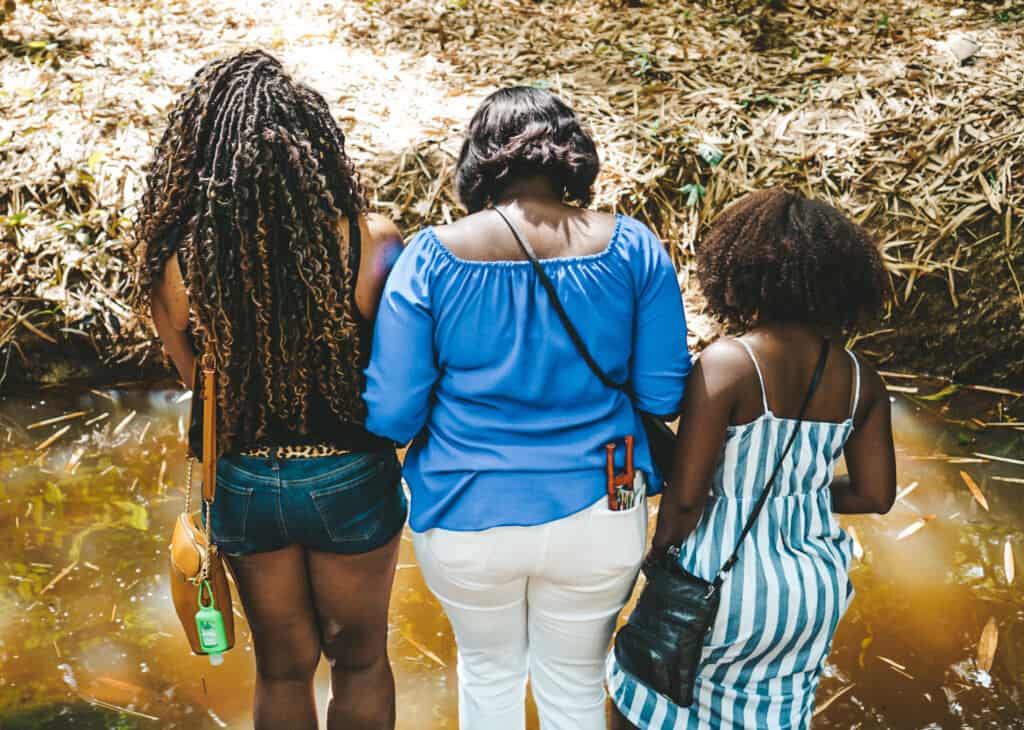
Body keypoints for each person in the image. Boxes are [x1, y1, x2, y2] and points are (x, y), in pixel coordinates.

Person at [363, 86, 690, 730]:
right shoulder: (634, 248)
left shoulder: (429, 257)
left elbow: (392, 415)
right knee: (574, 689)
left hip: (465, 508)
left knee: (489, 676)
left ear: (479, 162)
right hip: (605, 502)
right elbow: (662, 394)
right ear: (574, 158)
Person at [136, 50, 407, 730]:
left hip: (245, 483)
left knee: (282, 668)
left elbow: (190, 381)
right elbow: (401, 372)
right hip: (349, 473)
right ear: (313, 148)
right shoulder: (371, 243)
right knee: (361, 661)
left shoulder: (174, 264)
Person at [607, 189, 898, 729]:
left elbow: (688, 498)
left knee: (644, 703)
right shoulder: (862, 378)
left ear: (740, 273)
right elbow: (875, 496)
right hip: (813, 588)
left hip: (721, 583)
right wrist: (799, 494)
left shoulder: (728, 364)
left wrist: (657, 556)